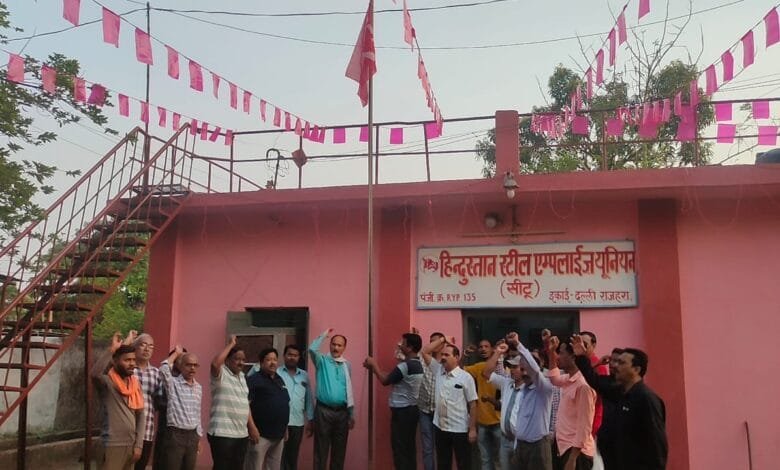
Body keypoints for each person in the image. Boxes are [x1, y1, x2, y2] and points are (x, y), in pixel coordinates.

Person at [571, 337, 667, 470]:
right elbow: (595, 381)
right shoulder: (619, 393)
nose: (615, 366)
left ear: (636, 369)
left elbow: (657, 445)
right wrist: (581, 357)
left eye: (621, 363)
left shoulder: (646, 399)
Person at [486, 333, 554, 470]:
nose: (524, 373)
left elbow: (534, 370)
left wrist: (518, 344)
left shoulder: (544, 388)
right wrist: (498, 353)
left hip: (537, 447)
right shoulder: (522, 389)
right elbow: (488, 373)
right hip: (520, 446)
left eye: (526, 369)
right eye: (521, 369)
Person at [363, 333, 424, 470]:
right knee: (409, 447)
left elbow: (385, 381)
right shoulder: (417, 364)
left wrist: (373, 364)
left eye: (403, 343)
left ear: (410, 347)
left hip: (402, 412)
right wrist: (375, 370)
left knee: (400, 448)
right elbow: (391, 377)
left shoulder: (405, 365)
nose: (400, 345)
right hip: (412, 410)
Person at [421, 335, 478, 470]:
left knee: (463, 464)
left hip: (460, 429)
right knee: (443, 464)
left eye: (447, 355)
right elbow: (424, 352)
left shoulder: (465, 377)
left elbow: (473, 405)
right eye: (442, 354)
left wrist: (472, 429)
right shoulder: (438, 370)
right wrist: (442, 340)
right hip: (441, 428)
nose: (443, 357)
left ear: (456, 357)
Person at [91, 332, 145, 470]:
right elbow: (95, 374)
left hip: (131, 445)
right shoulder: (108, 383)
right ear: (115, 361)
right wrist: (112, 350)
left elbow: (141, 416)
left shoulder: (135, 385)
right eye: (127, 360)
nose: (132, 364)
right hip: (111, 444)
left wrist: (138, 445)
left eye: (133, 360)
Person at [207, 336, 258, 470]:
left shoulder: (242, 377)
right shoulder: (221, 374)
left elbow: (245, 404)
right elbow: (215, 364)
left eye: (243, 359)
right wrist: (231, 344)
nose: (241, 362)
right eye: (237, 359)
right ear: (227, 360)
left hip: (241, 434)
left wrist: (252, 427)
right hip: (222, 434)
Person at [547, 338, 596, 470]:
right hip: (564, 447)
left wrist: (573, 458)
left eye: (561, 353)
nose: (558, 357)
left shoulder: (583, 385)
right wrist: (551, 352)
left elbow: (585, 426)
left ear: (573, 357)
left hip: (576, 452)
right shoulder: (569, 378)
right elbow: (554, 379)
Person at [309, 328, 355, 470]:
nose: (336, 347)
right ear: (330, 345)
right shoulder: (322, 361)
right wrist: (324, 335)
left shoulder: (347, 365)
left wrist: (351, 414)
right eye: (333, 344)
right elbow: (312, 349)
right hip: (323, 411)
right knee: (321, 451)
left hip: (342, 413)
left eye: (339, 345)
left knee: (339, 453)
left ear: (344, 347)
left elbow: (348, 389)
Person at [246, 348, 290, 470]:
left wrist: (285, 427)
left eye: (275, 359)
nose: (273, 363)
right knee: (254, 467)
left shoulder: (279, 379)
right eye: (268, 360)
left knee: (274, 467)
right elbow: (246, 405)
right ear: (261, 363)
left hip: (279, 434)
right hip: (260, 434)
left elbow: (285, 403)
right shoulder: (254, 380)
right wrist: (252, 428)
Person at [160, 345, 203, 470]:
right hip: (175, 434)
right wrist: (176, 354)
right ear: (180, 366)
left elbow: (197, 413)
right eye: (188, 365)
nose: (192, 368)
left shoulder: (198, 387)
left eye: (195, 365)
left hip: (193, 435)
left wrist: (199, 437)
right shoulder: (173, 383)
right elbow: (163, 369)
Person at [464, 339, 502, 470]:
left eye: (486, 346)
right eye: (480, 347)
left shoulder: (502, 368)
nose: (483, 349)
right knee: (485, 459)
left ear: (492, 349)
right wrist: (465, 355)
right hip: (482, 421)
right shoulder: (479, 366)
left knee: (500, 460)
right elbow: (460, 371)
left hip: (499, 421)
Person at [129, 332, 164, 470]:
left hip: (147, 430)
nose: (147, 349)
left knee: (140, 466)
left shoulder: (156, 373)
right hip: (127, 428)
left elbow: (158, 401)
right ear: (135, 347)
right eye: (143, 345)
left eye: (151, 346)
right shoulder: (128, 369)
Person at [278, 344, 315, 470]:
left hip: (297, 422)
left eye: (295, 355)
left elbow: (308, 399)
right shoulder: (277, 373)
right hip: (280, 421)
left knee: (292, 456)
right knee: (278, 456)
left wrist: (311, 420)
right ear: (284, 356)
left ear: (299, 357)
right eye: (289, 354)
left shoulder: (304, 375)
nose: (292, 358)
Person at [417, 332, 445, 470]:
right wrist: (441, 339)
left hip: (441, 412)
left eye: (436, 341)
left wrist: (443, 340)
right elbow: (424, 351)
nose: (433, 344)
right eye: (431, 341)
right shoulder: (423, 359)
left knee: (442, 447)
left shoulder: (446, 363)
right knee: (427, 448)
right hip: (424, 410)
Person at [578, 332, 609, 437]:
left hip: (591, 418)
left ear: (593, 345)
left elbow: (599, 397)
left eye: (585, 344)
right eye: (579, 344)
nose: (582, 347)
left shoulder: (599, 367)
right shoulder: (578, 363)